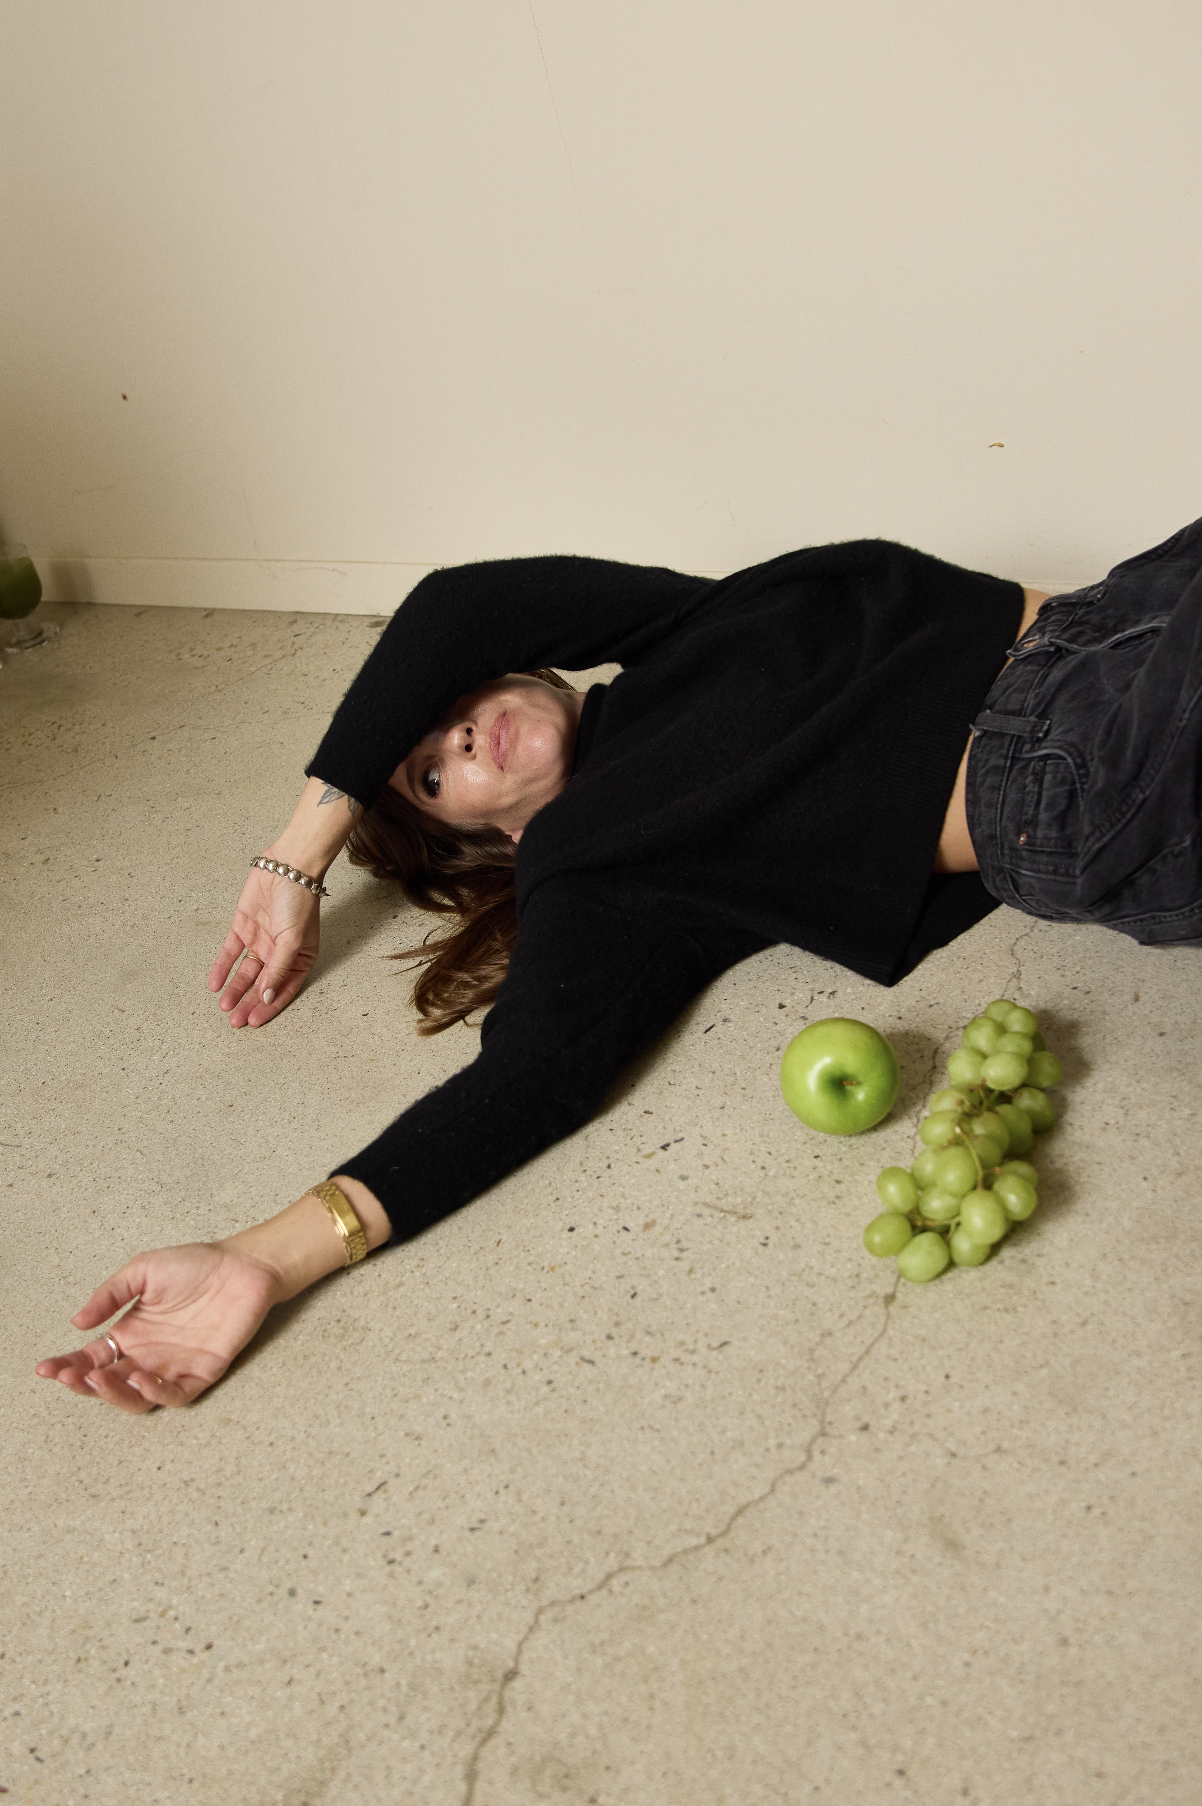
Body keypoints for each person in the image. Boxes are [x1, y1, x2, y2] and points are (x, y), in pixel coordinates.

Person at [37, 520, 1202, 1413]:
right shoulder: (588, 870)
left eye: (442, 708)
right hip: (1080, 765)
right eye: (431, 776)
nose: (456, 735)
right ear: (483, 835)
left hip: (1117, 611)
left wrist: (306, 838)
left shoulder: (678, 630)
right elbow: (528, 1082)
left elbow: (454, 605)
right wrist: (260, 1260)